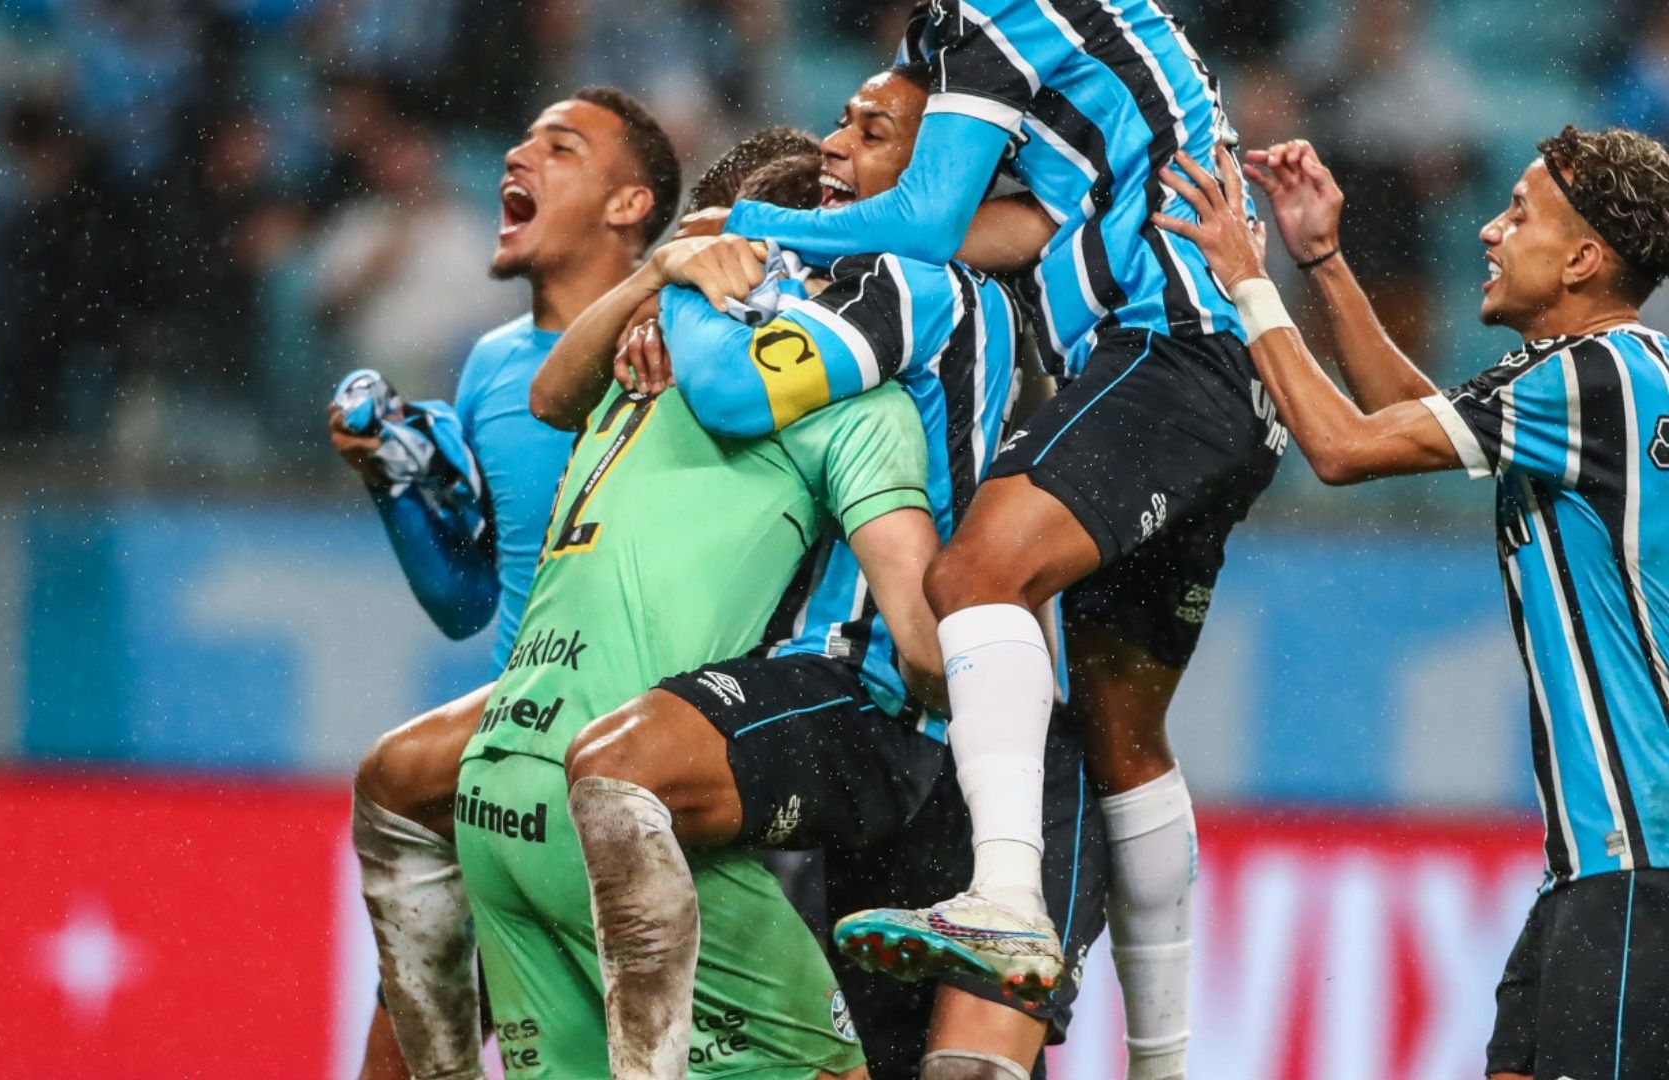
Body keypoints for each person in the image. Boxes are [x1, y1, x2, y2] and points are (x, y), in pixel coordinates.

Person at [701, 6, 1279, 1078]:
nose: (836, 143)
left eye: (871, 130)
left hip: (1163, 347)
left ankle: (1006, 895)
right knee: (1124, 738)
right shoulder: (1011, 43)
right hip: (1224, 370)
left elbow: (927, 220)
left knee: (973, 575)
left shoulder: (1001, 13)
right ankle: (1163, 1061)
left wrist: (730, 232)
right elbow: (1028, 221)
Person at [538, 65, 1107, 1080]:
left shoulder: (908, 289)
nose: (835, 145)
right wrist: (674, 285)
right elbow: (559, 392)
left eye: (871, 132)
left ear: (941, 175)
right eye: (841, 123)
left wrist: (692, 283)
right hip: (936, 718)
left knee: (959, 1070)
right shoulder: (924, 293)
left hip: (910, 705)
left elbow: (730, 388)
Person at [1152, 127, 1669, 1080]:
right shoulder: (1606, 376)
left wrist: (1248, 281)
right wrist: (1322, 261)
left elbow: (1343, 448)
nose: (1489, 230)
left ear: (1583, 261)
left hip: (1640, 866)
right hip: (1596, 869)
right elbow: (1405, 419)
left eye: (1520, 214)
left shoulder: (1589, 377)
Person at [451, 152, 943, 1080]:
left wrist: (658, 281)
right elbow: (920, 641)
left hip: (495, 787)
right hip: (618, 799)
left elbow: (546, 395)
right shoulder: (857, 405)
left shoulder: (633, 373)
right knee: (825, 1068)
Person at [333, 86, 681, 1080]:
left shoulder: (686, 345)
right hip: (505, 782)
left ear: (629, 205)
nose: (516, 160)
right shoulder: (490, 366)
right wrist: (392, 485)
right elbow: (466, 604)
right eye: (521, 142)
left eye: (560, 148)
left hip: (635, 773)